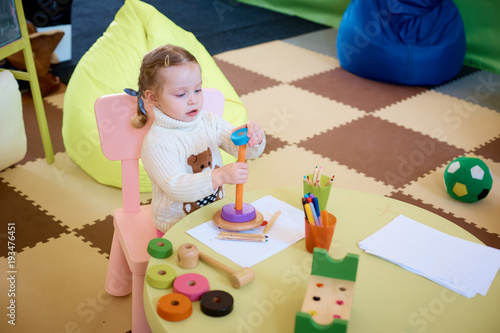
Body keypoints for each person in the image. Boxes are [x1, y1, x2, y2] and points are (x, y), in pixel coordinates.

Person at [126, 44, 265, 236]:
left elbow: (243, 150)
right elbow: (176, 187)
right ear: (153, 97)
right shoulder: (157, 142)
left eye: (198, 90)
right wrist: (220, 176)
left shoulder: (209, 121)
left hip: (213, 216)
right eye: (181, 94)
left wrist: (253, 139)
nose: (193, 100)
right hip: (176, 226)